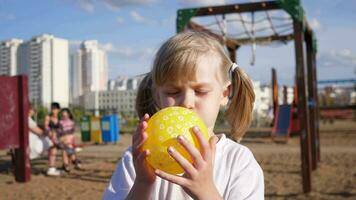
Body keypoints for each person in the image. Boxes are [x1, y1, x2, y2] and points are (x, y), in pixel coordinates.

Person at [103, 31, 264, 200]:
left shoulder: (238, 161)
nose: (187, 102)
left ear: (224, 94)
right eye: (173, 91)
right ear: (157, 96)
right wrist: (143, 183)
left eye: (200, 91)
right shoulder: (138, 160)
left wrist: (206, 192)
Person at [28, 104, 62, 176]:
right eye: (33, 110)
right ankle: (51, 169)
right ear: (29, 110)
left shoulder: (20, 119)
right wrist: (50, 134)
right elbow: (41, 132)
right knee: (53, 143)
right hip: (32, 146)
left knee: (52, 140)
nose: (34, 112)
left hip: (24, 145)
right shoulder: (28, 120)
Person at [58, 108, 82, 172]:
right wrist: (63, 138)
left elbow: (72, 132)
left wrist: (68, 138)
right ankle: (67, 165)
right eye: (62, 115)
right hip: (63, 139)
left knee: (69, 152)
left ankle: (72, 162)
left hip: (69, 139)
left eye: (65, 115)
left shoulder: (71, 122)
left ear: (68, 114)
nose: (64, 116)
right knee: (64, 152)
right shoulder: (60, 122)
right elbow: (60, 132)